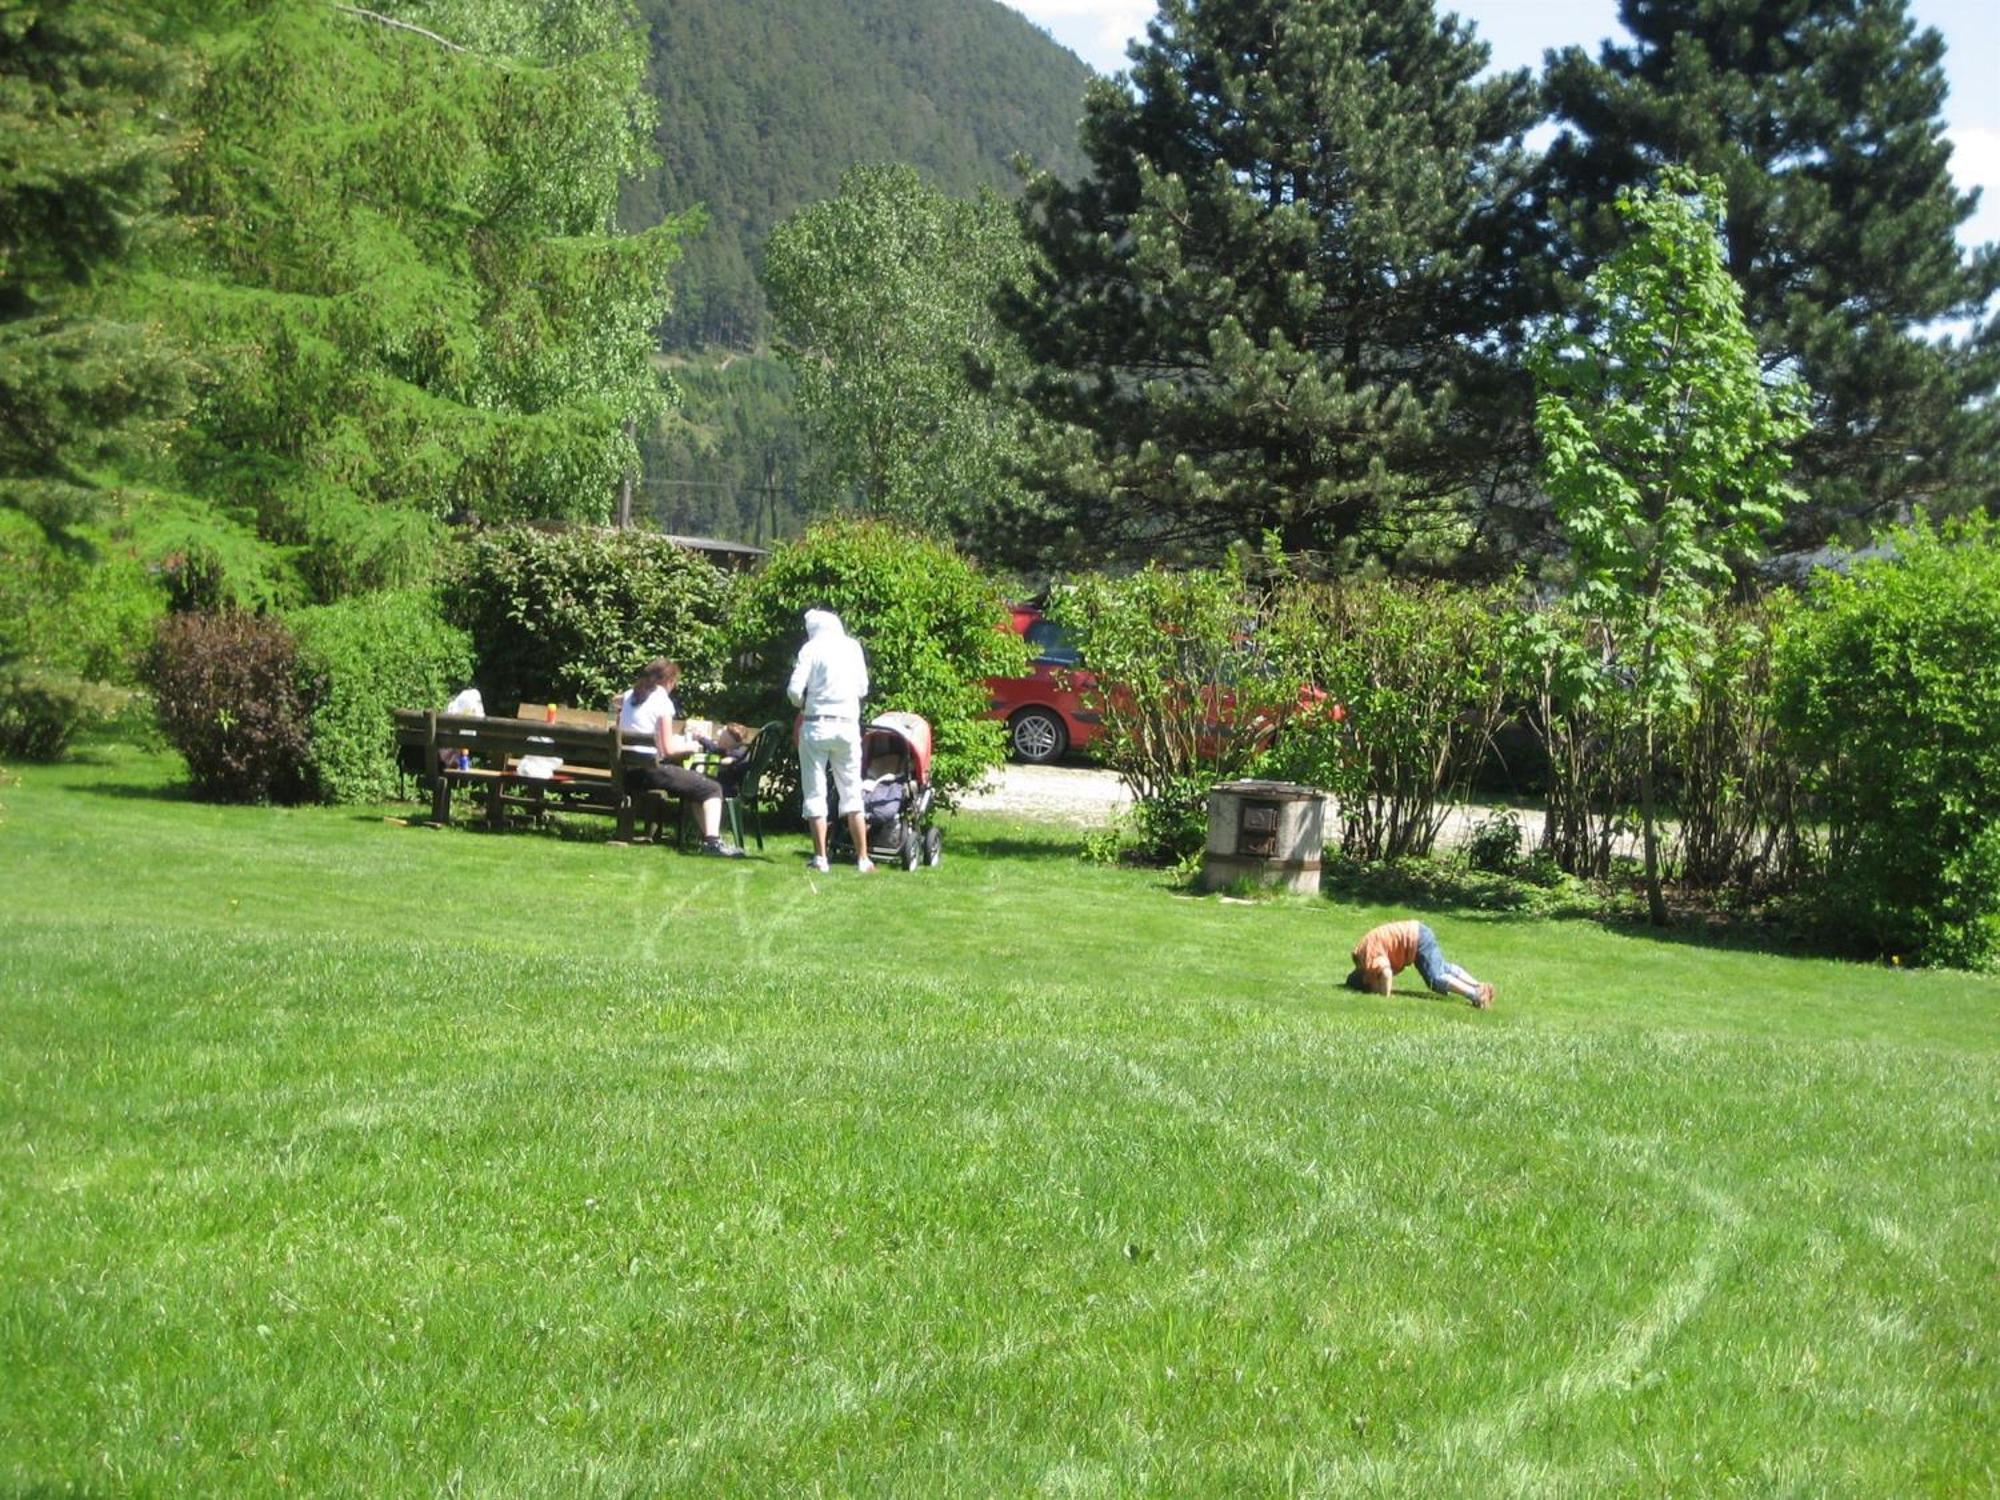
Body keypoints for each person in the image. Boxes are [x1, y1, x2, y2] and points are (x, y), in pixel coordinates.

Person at [618, 658, 743, 857]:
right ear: (668, 680)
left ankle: (710, 839)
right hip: (650, 772)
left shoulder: (628, 695)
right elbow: (667, 749)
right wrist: (690, 746)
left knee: (696, 787)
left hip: (628, 771)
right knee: (712, 788)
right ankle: (712, 843)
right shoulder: (662, 702)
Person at [787, 608, 871, 873]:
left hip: (816, 724)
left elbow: (793, 690)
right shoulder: (852, 647)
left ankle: (821, 858)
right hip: (847, 726)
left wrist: (803, 705)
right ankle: (863, 859)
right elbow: (862, 688)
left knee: (815, 792)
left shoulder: (810, 649)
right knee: (851, 789)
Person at [1345, 919, 1494, 1008]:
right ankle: (1478, 985)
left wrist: (1386, 996)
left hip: (1416, 939)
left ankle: (1475, 995)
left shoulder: (1369, 960)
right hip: (1418, 930)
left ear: (1366, 979)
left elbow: (1386, 973)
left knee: (1436, 979)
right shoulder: (1362, 951)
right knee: (1442, 968)